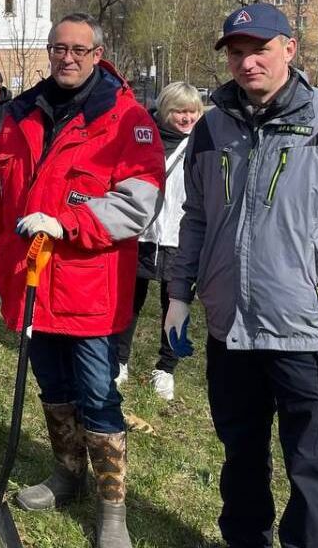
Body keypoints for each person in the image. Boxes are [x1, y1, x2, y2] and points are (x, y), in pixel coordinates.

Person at [168, 3, 318, 548]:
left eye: (260, 49)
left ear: (289, 49)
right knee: (240, 455)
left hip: (308, 331)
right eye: (236, 51)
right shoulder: (211, 128)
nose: (248, 62)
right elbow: (196, 217)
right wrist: (179, 295)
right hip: (230, 330)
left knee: (312, 468)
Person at [0, 13, 165, 548]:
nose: (68, 58)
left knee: (98, 398)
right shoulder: (21, 115)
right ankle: (66, 473)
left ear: (98, 53)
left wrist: (68, 223)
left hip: (88, 289)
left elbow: (137, 203)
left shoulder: (126, 120)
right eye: (59, 48)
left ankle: (111, 508)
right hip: (30, 284)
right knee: (53, 389)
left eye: (80, 50)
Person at [112, 82, 202, 400]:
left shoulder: (202, 143)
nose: (187, 117)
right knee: (128, 304)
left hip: (180, 238)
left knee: (174, 305)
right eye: (180, 111)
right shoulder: (143, 139)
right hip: (142, 235)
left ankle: (165, 369)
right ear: (165, 111)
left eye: (193, 111)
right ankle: (119, 362)